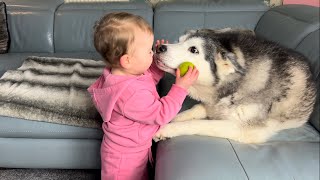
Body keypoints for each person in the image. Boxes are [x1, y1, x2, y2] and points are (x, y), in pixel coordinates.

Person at [88, 12, 199, 180]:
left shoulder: (125, 74)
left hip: (132, 150)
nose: (152, 53)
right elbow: (161, 114)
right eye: (148, 51)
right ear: (127, 61)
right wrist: (181, 87)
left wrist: (156, 66)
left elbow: (147, 80)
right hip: (124, 160)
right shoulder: (130, 94)